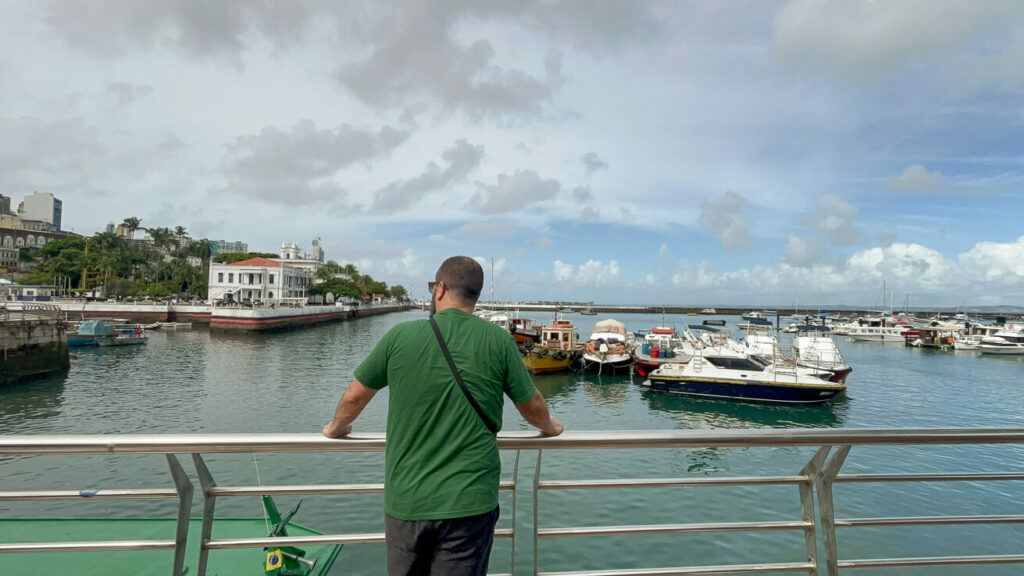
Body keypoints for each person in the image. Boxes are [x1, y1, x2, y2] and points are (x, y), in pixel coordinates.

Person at [322, 256, 563, 576]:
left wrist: (337, 427)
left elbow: (354, 397)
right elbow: (531, 405)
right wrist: (551, 426)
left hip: (408, 499)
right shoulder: (499, 340)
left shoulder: (400, 337)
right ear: (475, 296)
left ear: (440, 289)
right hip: (470, 502)